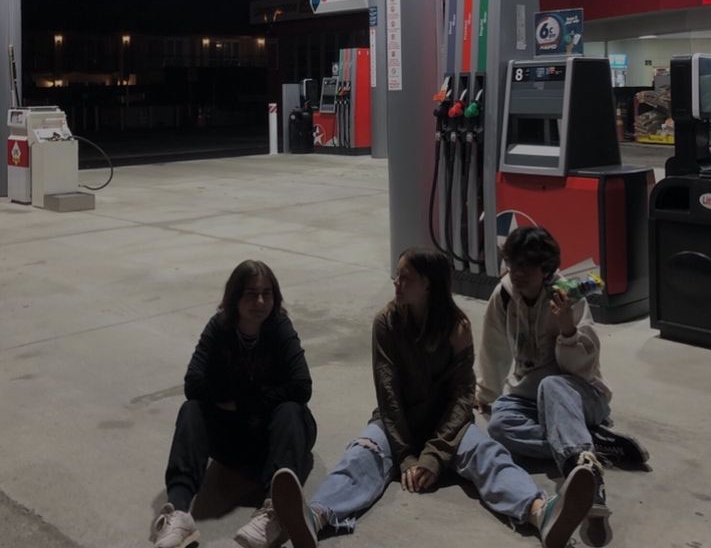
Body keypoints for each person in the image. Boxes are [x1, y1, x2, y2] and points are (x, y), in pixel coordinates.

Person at [268, 247, 596, 548]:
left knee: (489, 456)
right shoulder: (387, 322)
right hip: (397, 423)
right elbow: (388, 392)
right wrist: (407, 456)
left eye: (405, 277)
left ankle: (542, 513)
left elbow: (463, 396)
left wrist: (434, 455)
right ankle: (315, 516)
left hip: (448, 426)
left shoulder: (457, 327)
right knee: (361, 455)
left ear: (427, 284)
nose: (396, 282)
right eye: (398, 275)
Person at [476, 226, 649, 548]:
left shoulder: (569, 295)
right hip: (528, 396)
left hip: (580, 395)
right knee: (500, 425)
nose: (517, 273)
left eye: (526, 267)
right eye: (512, 265)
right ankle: (594, 444)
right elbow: (494, 347)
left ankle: (587, 476)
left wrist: (568, 329)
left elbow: (583, 369)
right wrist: (487, 393)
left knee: (553, 384)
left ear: (546, 270)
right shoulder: (502, 296)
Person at [152, 259, 316, 548]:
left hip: (272, 439)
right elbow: (193, 384)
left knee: (291, 410)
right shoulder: (219, 329)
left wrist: (244, 402)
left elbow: (302, 387)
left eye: (267, 293)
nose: (261, 301)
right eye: (251, 294)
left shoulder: (279, 328)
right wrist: (241, 398)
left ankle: (274, 510)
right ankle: (179, 512)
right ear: (235, 297)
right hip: (233, 440)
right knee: (191, 410)